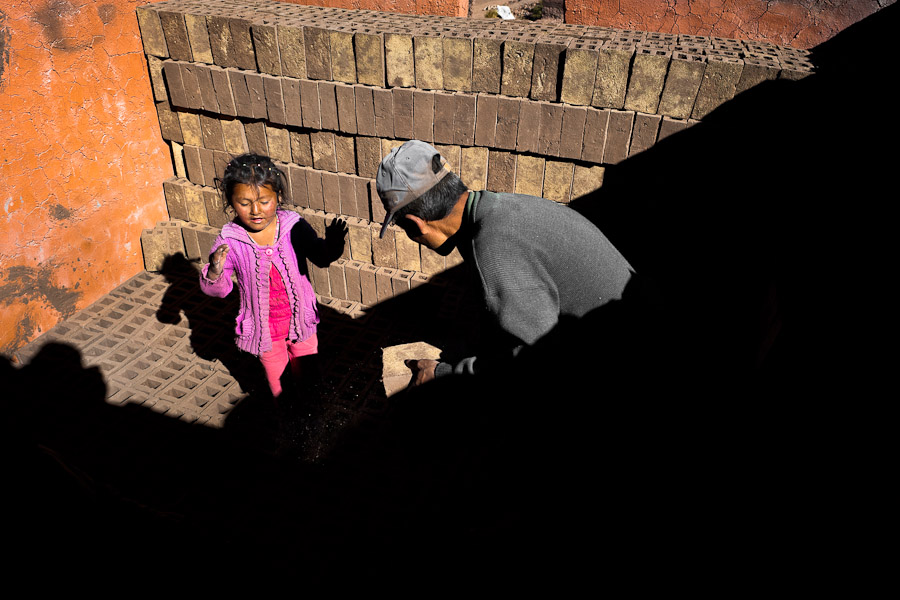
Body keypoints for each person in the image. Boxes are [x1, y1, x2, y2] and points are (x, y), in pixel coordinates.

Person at [376, 140, 635, 385]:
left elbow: (537, 366)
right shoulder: (502, 209)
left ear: (415, 224)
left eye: (402, 226)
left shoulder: (494, 249)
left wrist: (443, 374)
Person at [200, 153, 345, 399]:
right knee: (280, 389)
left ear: (278, 196)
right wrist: (215, 269)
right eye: (244, 203)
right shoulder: (230, 240)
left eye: (264, 201)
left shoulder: (293, 225)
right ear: (231, 202)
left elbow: (321, 257)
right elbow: (219, 289)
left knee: (309, 379)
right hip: (264, 332)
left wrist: (333, 245)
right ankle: (290, 426)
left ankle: (314, 422)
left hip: (302, 323)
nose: (255, 211)